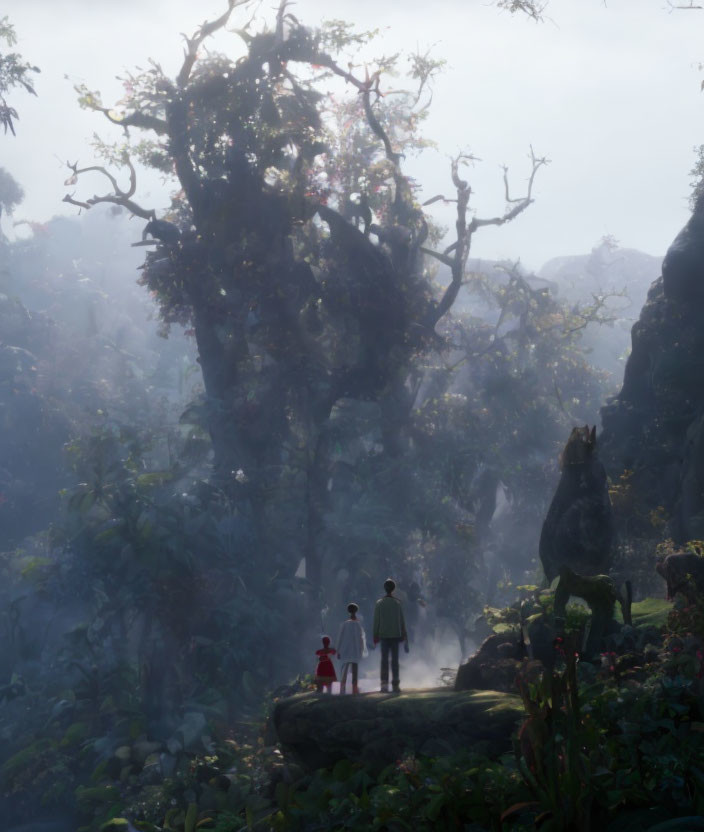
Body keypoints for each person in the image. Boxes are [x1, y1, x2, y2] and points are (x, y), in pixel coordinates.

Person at [373, 578, 409, 693]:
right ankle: (395, 684)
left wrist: (375, 635)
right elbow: (402, 621)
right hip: (395, 635)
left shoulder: (379, 603)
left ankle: (384, 685)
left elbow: (376, 621)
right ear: (393, 589)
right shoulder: (397, 603)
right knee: (395, 660)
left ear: (385, 589)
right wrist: (404, 635)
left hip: (383, 635)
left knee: (384, 660)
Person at [336, 602, 368, 694]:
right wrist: (362, 649)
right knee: (355, 669)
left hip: (345, 650)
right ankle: (354, 688)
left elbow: (340, 637)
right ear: (356, 611)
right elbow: (362, 638)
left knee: (344, 669)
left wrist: (338, 650)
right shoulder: (358, 624)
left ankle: (342, 688)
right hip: (355, 650)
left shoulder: (344, 624)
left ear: (348, 612)